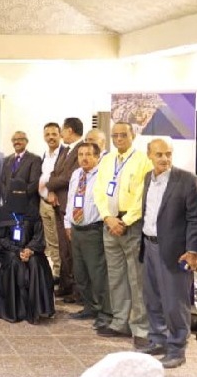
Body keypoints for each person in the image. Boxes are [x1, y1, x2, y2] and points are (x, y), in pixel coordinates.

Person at [136, 139, 197, 369]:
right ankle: (158, 340)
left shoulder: (187, 180)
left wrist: (192, 251)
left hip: (175, 252)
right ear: (149, 155)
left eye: (168, 154)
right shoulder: (147, 178)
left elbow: (194, 218)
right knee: (153, 298)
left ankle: (177, 349)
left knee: (175, 303)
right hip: (149, 246)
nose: (165, 159)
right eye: (159, 154)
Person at [93, 122, 150, 346]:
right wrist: (107, 217)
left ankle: (141, 328)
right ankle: (120, 322)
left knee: (136, 278)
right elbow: (99, 191)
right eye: (115, 135)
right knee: (116, 276)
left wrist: (124, 221)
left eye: (123, 135)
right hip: (109, 223)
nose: (118, 139)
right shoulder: (107, 160)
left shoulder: (143, 160)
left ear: (132, 135)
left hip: (131, 224)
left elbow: (141, 197)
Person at [63, 142, 112, 330]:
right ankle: (89, 307)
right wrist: (68, 223)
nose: (84, 158)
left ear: (97, 157)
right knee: (80, 273)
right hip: (76, 229)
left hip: (93, 230)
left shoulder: (103, 175)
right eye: (81, 154)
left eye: (88, 154)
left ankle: (104, 312)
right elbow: (71, 199)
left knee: (97, 274)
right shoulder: (76, 174)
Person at [0, 179, 55, 324]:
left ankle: (37, 311)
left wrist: (30, 249)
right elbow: (1, 238)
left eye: (21, 192)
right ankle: (16, 312)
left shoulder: (32, 211)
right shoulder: (3, 212)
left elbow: (38, 236)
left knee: (35, 263)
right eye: (15, 192)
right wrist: (17, 251)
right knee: (14, 262)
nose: (18, 195)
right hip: (10, 251)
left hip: (32, 251)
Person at [45, 117, 84, 300]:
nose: (60, 134)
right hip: (58, 205)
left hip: (71, 206)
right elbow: (55, 172)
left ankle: (77, 290)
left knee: (72, 249)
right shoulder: (65, 150)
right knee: (63, 249)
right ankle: (65, 285)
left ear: (69, 130)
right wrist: (51, 189)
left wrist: (48, 184)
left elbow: (69, 177)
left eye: (61, 130)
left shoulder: (81, 150)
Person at [38, 122, 62, 284]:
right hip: (43, 203)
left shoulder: (64, 154)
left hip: (56, 204)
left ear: (60, 135)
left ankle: (63, 275)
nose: (51, 137)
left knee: (60, 241)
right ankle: (57, 273)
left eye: (54, 134)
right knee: (50, 241)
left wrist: (52, 190)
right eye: (47, 134)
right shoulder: (45, 154)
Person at [0, 131, 41, 210]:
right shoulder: (6, 160)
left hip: (27, 205)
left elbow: (34, 183)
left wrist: (19, 197)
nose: (17, 142)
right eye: (14, 140)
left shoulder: (35, 159)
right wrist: (8, 197)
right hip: (9, 205)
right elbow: (3, 182)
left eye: (20, 139)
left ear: (26, 142)